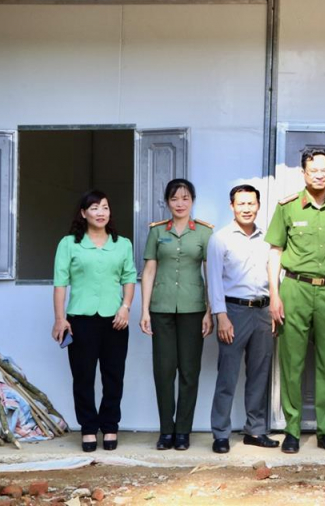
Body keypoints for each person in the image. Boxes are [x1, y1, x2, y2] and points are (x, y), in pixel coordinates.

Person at [266, 148, 325, 454]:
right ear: (303, 172)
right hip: (295, 288)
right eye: (314, 170)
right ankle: (292, 430)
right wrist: (274, 294)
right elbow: (275, 253)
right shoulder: (288, 207)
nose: (320, 174)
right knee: (291, 361)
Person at [51, 190, 137, 452]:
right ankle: (88, 428)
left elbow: (129, 278)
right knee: (83, 377)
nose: (101, 213)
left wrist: (126, 308)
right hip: (80, 321)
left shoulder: (122, 244)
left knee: (114, 376)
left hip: (115, 321)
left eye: (105, 208)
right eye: (95, 208)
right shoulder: (69, 244)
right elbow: (60, 283)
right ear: (83, 213)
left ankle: (110, 426)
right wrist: (59, 318)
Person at [140, 179, 213, 451]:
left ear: (192, 200)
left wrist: (209, 310)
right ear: (167, 202)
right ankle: (166, 430)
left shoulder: (204, 233)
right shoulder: (158, 232)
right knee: (164, 370)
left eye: (185, 198)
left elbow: (210, 274)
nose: (180, 203)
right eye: (174, 199)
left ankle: (183, 431)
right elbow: (149, 271)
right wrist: (145, 310)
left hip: (194, 309)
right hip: (161, 309)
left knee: (189, 371)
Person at [206, 184, 279, 454]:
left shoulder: (268, 238)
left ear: (258, 206)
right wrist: (220, 316)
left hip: (263, 311)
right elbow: (213, 279)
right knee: (227, 376)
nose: (246, 208)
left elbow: (274, 273)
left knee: (259, 374)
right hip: (233, 313)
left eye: (251, 203)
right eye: (241, 204)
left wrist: (273, 307)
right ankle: (221, 433)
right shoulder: (221, 238)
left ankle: (255, 431)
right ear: (232, 206)